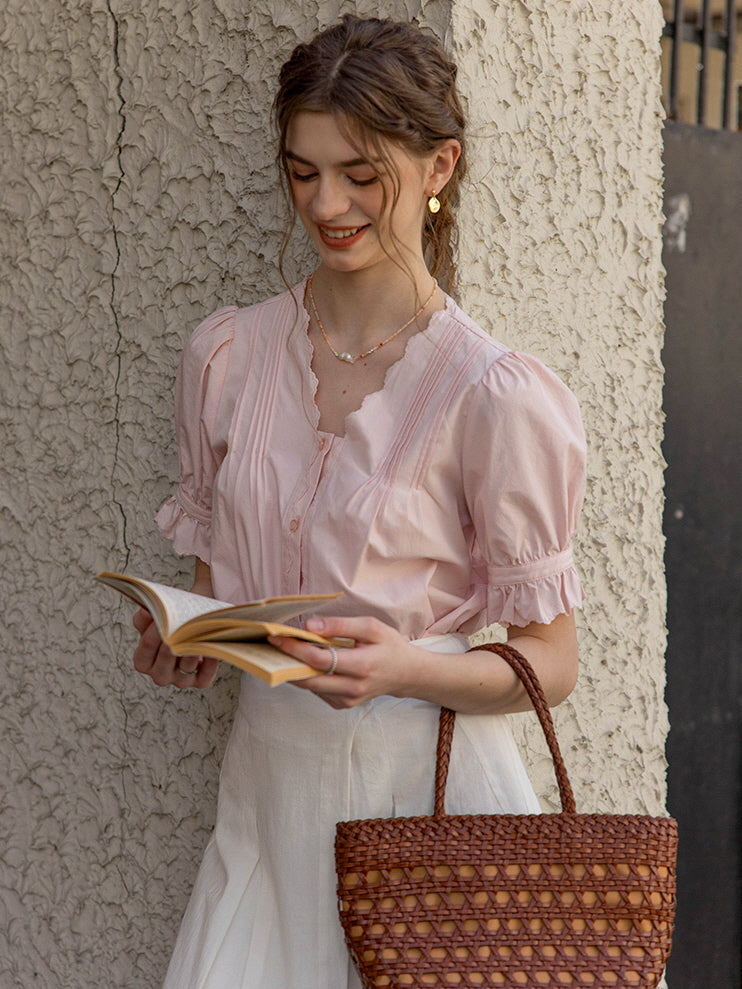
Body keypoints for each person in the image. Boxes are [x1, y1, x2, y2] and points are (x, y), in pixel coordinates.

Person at [132, 14, 586, 989]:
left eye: (360, 173)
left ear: (439, 168)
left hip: (431, 816)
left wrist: (406, 665)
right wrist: (191, 641)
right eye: (302, 171)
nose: (325, 203)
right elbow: (221, 597)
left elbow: (553, 662)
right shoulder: (225, 357)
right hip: (268, 803)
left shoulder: (491, 393)